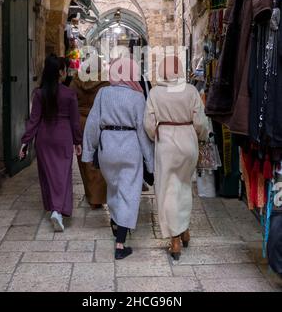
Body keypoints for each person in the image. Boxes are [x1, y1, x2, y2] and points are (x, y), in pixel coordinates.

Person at [82, 57, 154, 260]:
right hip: (130, 147)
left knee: (114, 186)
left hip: (108, 146)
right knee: (129, 191)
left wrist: (88, 151)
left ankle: (116, 221)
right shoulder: (137, 97)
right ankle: (121, 243)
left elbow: (93, 123)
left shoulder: (103, 93)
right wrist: (150, 160)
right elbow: (142, 131)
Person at [144, 55, 209, 260]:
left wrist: (157, 136)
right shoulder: (190, 91)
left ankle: (174, 238)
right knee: (184, 187)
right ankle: (185, 229)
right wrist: (200, 136)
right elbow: (200, 121)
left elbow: (148, 123)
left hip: (167, 145)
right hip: (188, 142)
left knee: (167, 191)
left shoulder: (155, 93)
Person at [19, 55, 82, 232]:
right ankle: (57, 210)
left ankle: (54, 208)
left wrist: (25, 142)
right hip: (63, 137)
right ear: (61, 72)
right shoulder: (69, 94)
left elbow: (33, 120)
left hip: (44, 138)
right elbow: (75, 122)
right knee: (62, 174)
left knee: (48, 175)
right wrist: (78, 141)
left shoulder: (39, 94)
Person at [70, 55, 109, 209]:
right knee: (99, 159)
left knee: (83, 160)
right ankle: (97, 197)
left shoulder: (75, 82)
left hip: (80, 122)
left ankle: (90, 193)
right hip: (98, 123)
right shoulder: (105, 83)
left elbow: (70, 101)